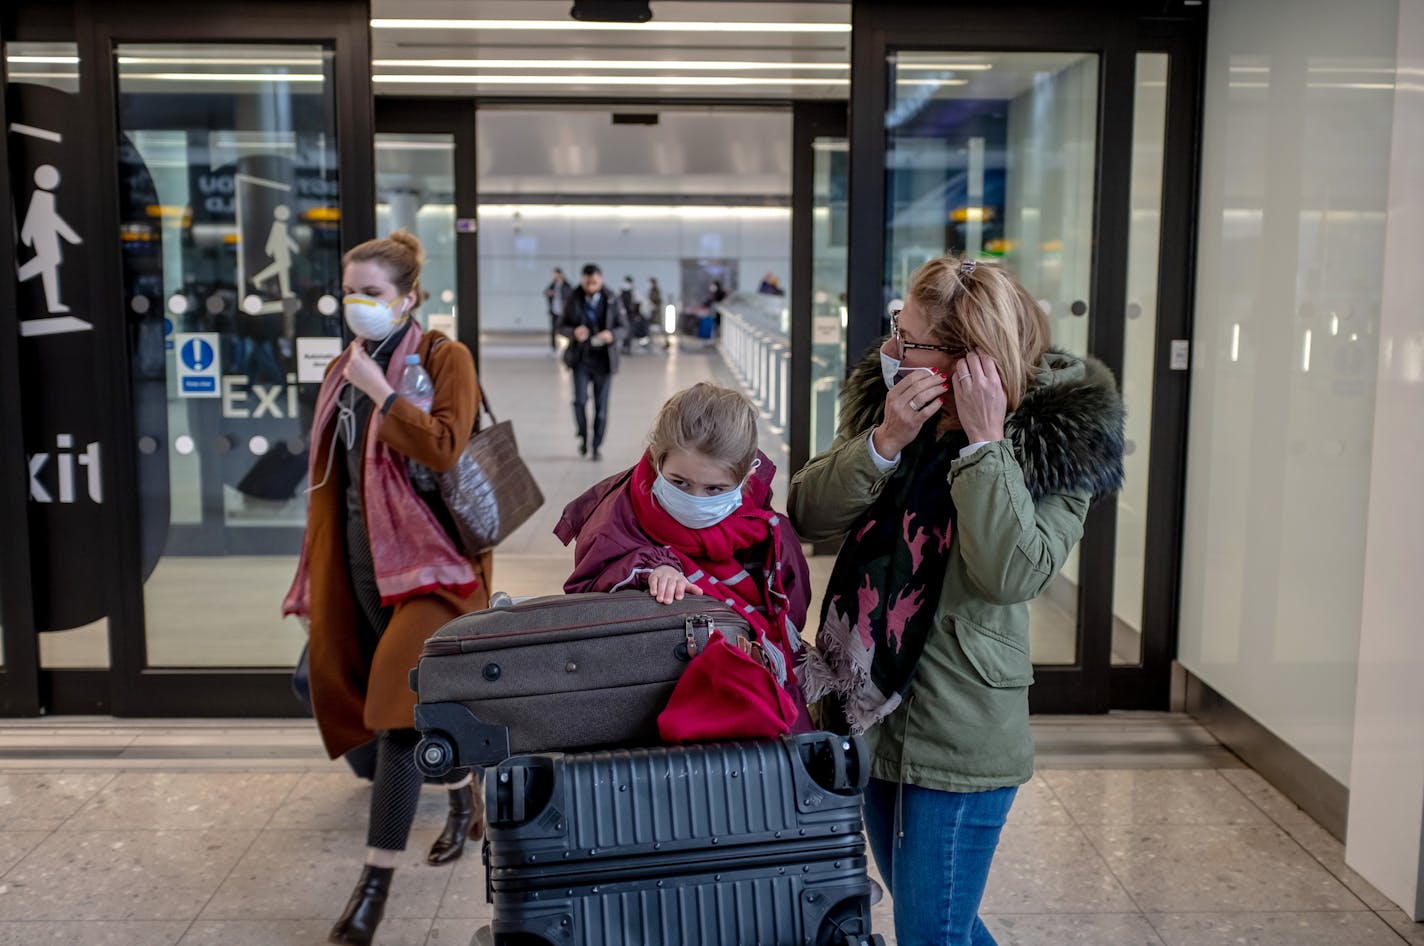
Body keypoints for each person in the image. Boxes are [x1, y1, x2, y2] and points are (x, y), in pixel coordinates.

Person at [788, 256, 1124, 946]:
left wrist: (986, 445)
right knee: (943, 926)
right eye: (896, 330)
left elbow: (1011, 574)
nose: (892, 351)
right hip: (865, 704)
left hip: (958, 726)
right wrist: (883, 442)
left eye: (911, 342)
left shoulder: (1058, 441)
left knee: (930, 932)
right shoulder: (895, 407)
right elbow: (807, 516)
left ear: (970, 360)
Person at [281, 231, 492, 946]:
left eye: (371, 293)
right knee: (412, 696)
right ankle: (466, 804)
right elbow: (337, 476)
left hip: (438, 565)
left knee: (400, 716)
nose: (357, 305)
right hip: (365, 561)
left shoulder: (442, 358)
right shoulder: (343, 368)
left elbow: (445, 445)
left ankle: (372, 889)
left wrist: (384, 394)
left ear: (408, 298)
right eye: (350, 292)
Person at [554, 382, 812, 729]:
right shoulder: (616, 515)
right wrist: (647, 569)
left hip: (748, 701)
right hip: (643, 704)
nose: (695, 498)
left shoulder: (769, 535)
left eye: (715, 489)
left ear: (747, 477)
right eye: (679, 483)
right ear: (656, 458)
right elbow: (588, 593)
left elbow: (790, 618)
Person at [559, 263, 629, 461]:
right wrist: (573, 333)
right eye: (587, 282)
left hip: (604, 360)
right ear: (582, 280)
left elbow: (624, 327)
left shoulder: (612, 299)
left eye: (595, 282)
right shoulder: (573, 298)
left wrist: (612, 335)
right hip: (581, 358)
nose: (591, 286)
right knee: (579, 401)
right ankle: (582, 436)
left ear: (601, 280)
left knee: (601, 407)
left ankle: (596, 445)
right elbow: (560, 326)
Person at [544, 267, 571, 352]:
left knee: (564, 330)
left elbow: (570, 295)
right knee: (553, 330)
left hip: (563, 311)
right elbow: (546, 292)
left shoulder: (566, 285)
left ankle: (566, 347)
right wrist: (549, 293)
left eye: (555, 274)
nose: (554, 276)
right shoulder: (553, 284)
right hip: (554, 311)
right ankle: (553, 348)